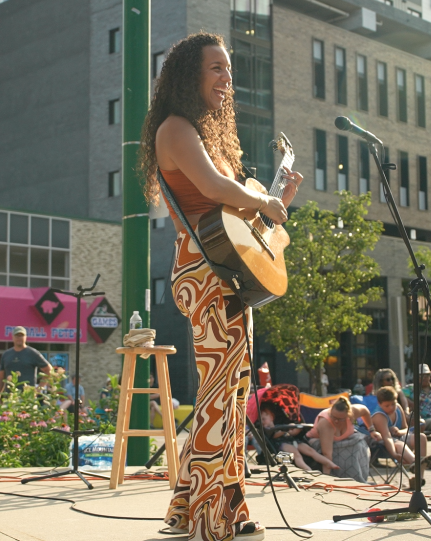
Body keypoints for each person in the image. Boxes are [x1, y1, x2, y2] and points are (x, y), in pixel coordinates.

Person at [141, 32, 302, 541]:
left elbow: (241, 229)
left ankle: (195, 510)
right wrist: (262, 202)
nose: (226, 79)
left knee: (228, 396)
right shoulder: (175, 128)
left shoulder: (205, 135)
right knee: (219, 398)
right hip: (203, 274)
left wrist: (278, 202)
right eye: (216, 68)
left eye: (229, 70)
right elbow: (213, 190)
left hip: (223, 272)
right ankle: (213, 518)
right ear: (189, 74)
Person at [304, 396, 375, 481]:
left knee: (360, 445)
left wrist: (372, 430)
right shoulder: (326, 423)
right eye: (334, 417)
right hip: (320, 443)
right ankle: (343, 480)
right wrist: (326, 479)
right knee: (345, 454)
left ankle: (360, 479)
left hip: (345, 441)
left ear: (348, 415)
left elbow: (365, 411)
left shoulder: (353, 412)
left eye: (340, 419)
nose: (336, 421)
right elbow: (327, 454)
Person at [370, 387, 431, 471]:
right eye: (387, 406)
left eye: (393, 404)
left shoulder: (398, 408)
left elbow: (406, 428)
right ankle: (415, 462)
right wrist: (394, 453)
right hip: (383, 443)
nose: (391, 408)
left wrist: (399, 432)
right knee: (400, 444)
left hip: (398, 437)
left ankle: (419, 477)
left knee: (421, 437)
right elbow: (387, 437)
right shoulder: (379, 416)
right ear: (379, 404)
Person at [257, 408, 336, 472]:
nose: (262, 422)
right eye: (261, 420)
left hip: (291, 439)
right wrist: (285, 430)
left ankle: (328, 463)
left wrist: (296, 428)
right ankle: (308, 470)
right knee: (296, 454)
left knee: (310, 451)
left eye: (264, 419)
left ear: (271, 417)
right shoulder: (266, 429)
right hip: (279, 443)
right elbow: (273, 436)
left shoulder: (280, 423)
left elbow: (292, 433)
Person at [0, 326, 52, 401]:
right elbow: (1, 377)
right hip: (9, 397)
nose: (19, 338)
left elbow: (49, 370)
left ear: (26, 337)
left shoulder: (32, 353)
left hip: (27, 398)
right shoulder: (6, 354)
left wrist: (38, 390)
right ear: (12, 337)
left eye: (21, 335)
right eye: (17, 335)